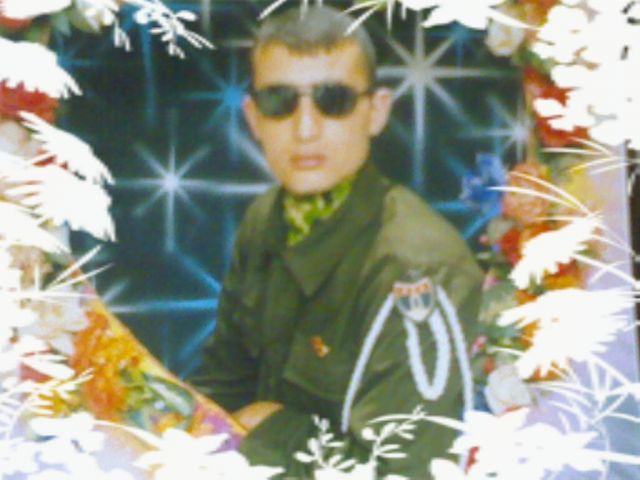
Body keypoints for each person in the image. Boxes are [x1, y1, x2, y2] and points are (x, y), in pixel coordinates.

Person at [195, 5, 484, 478]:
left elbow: (405, 473)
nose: (305, 129)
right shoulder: (265, 220)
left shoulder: (418, 268)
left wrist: (272, 428)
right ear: (253, 117)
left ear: (376, 112)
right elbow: (222, 387)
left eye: (334, 100)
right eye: (279, 102)